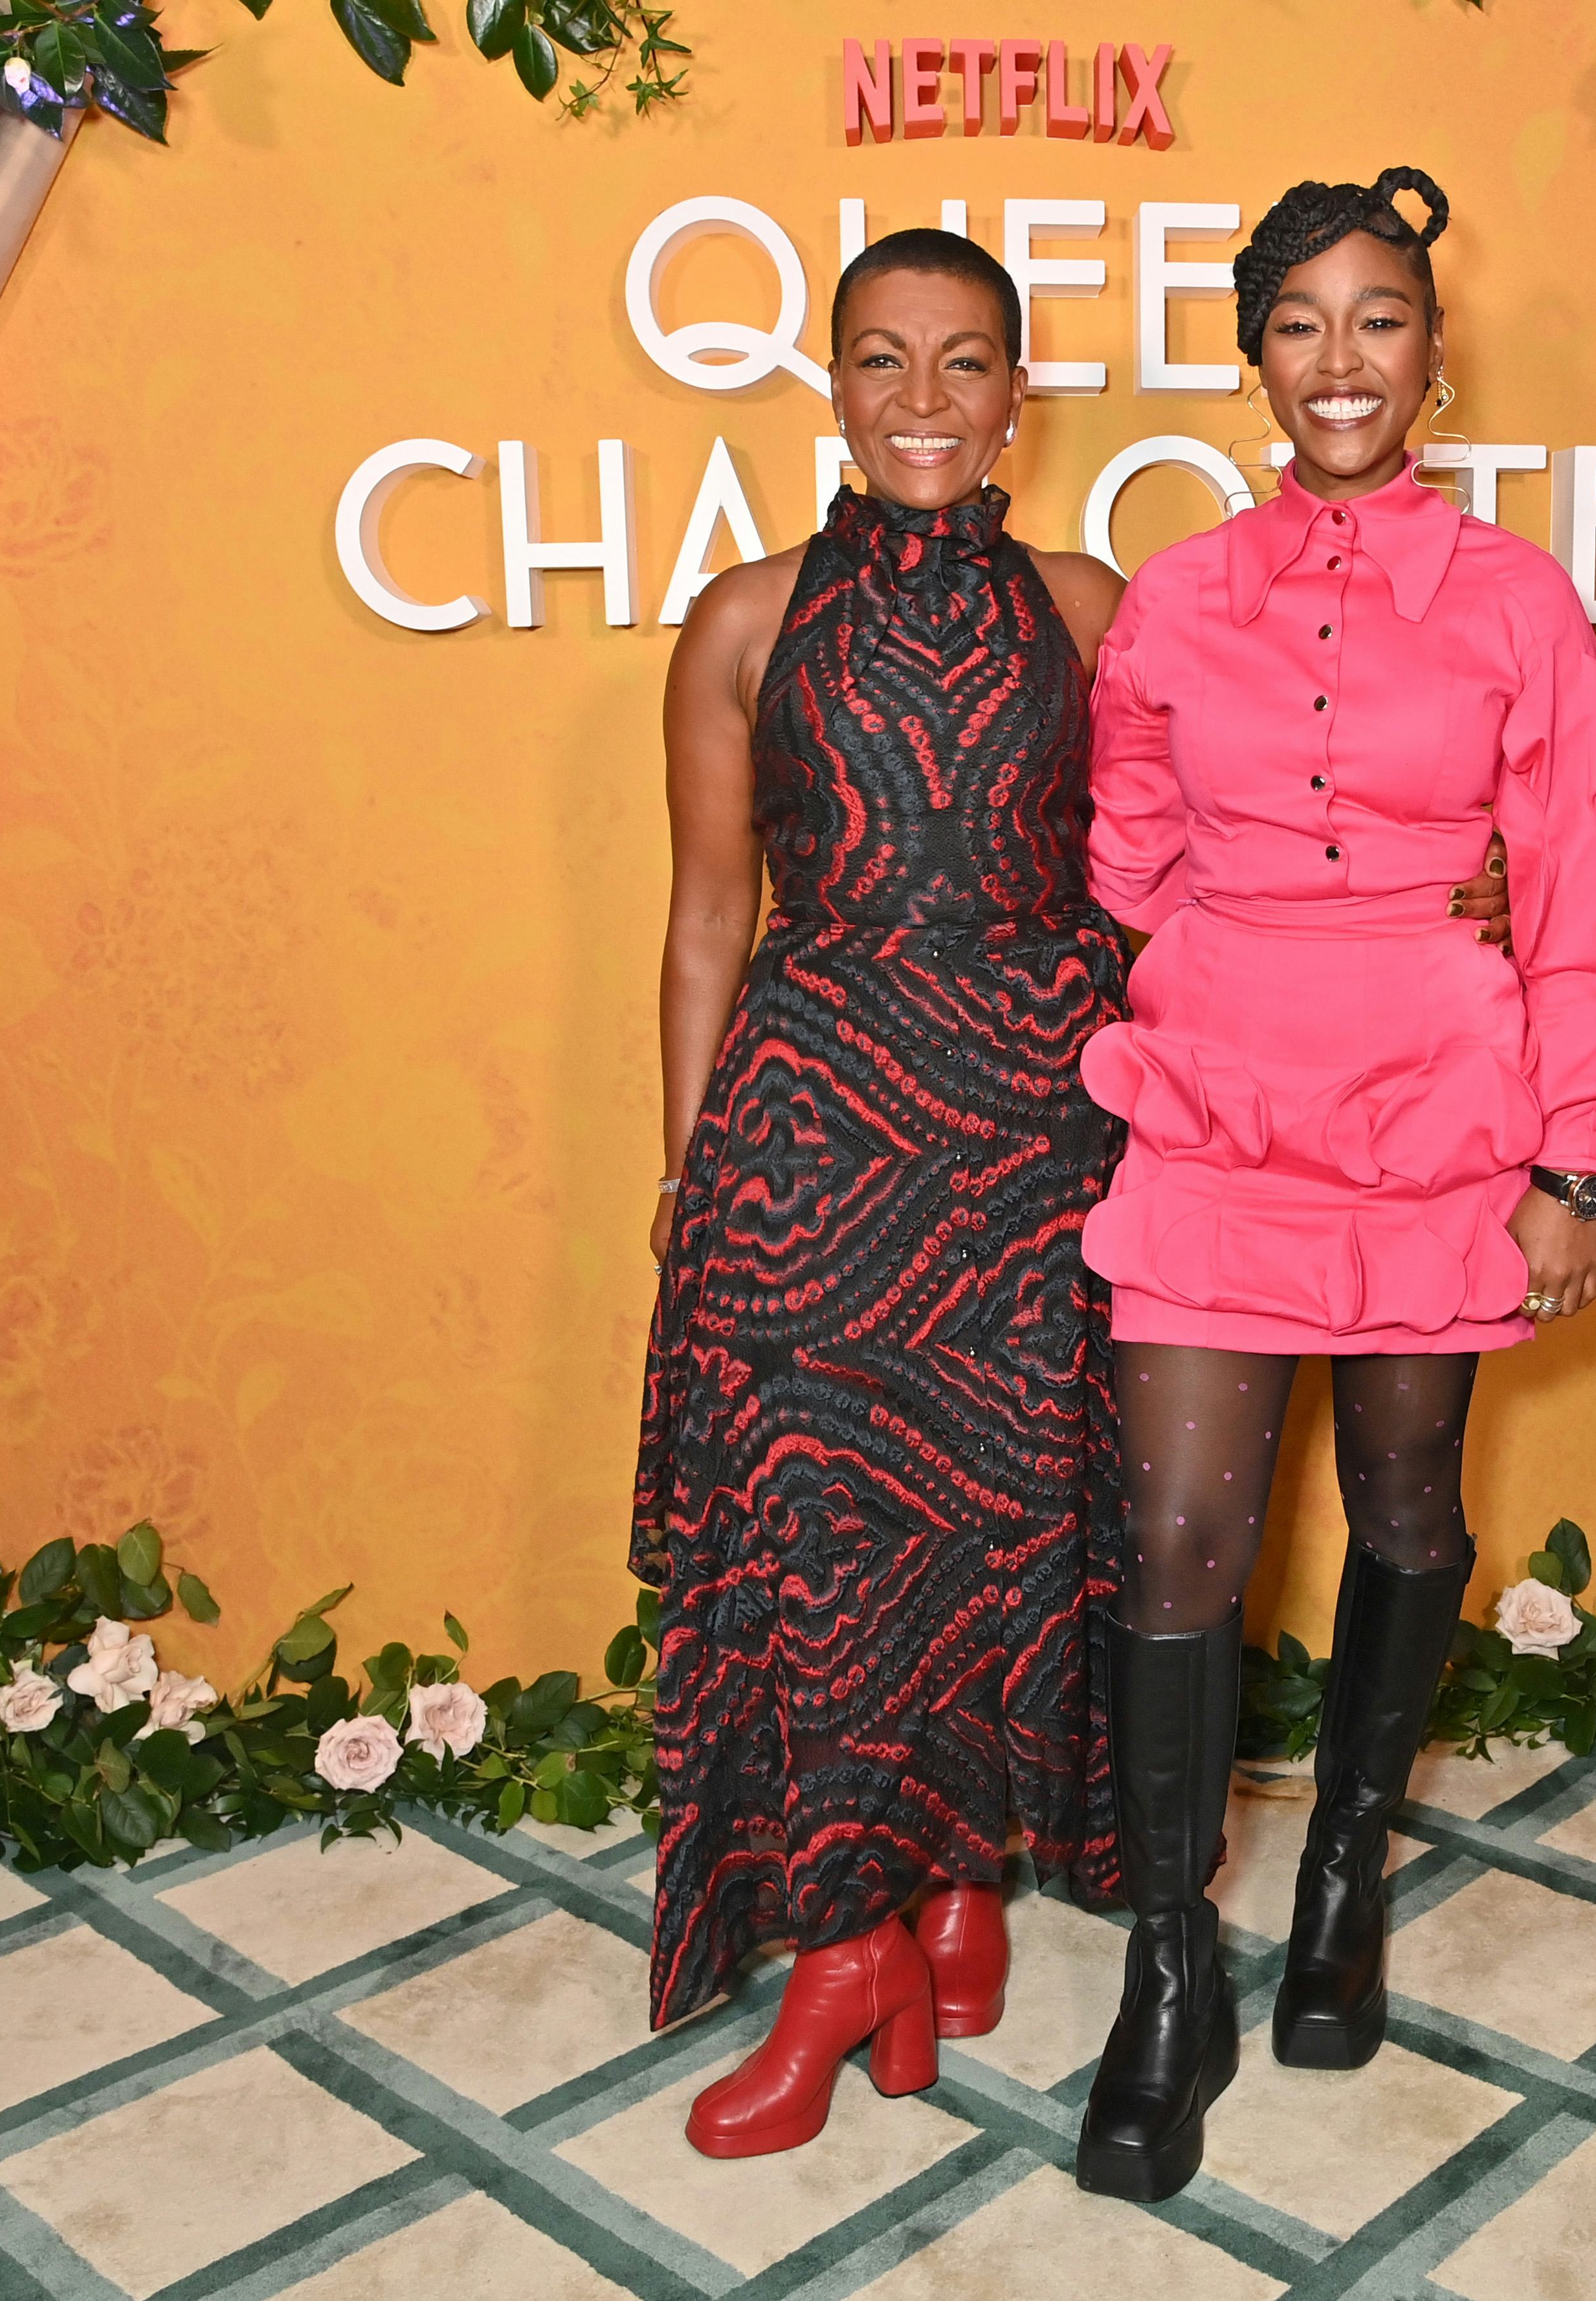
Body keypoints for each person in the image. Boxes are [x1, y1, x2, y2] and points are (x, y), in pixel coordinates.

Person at [1070, 169, 1596, 2202]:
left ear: (1437, 348)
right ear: (1255, 354)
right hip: (1227, 1088)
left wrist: (1570, 1153)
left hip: (1445, 1088)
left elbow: (1577, 891)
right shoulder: (1176, 594)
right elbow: (1132, 847)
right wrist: (1237, 956)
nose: (1343, 358)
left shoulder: (1516, 600)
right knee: (1176, 1531)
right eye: (1303, 321)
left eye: (1382, 317)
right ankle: (1174, 1973)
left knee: (1409, 1499)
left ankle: (1346, 1864)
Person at [632, 230, 1132, 2158]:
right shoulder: (747, 618)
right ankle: (848, 1962)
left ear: (1023, 391)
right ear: (828, 383)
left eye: (964, 363)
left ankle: (958, 1889)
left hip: (1030, 1141)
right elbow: (701, 922)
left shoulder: (1093, 604)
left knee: (1002, 1536)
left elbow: (1173, 878)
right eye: (882, 362)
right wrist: (693, 1185)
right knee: (825, 1544)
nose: (923, 401)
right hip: (813, 1139)